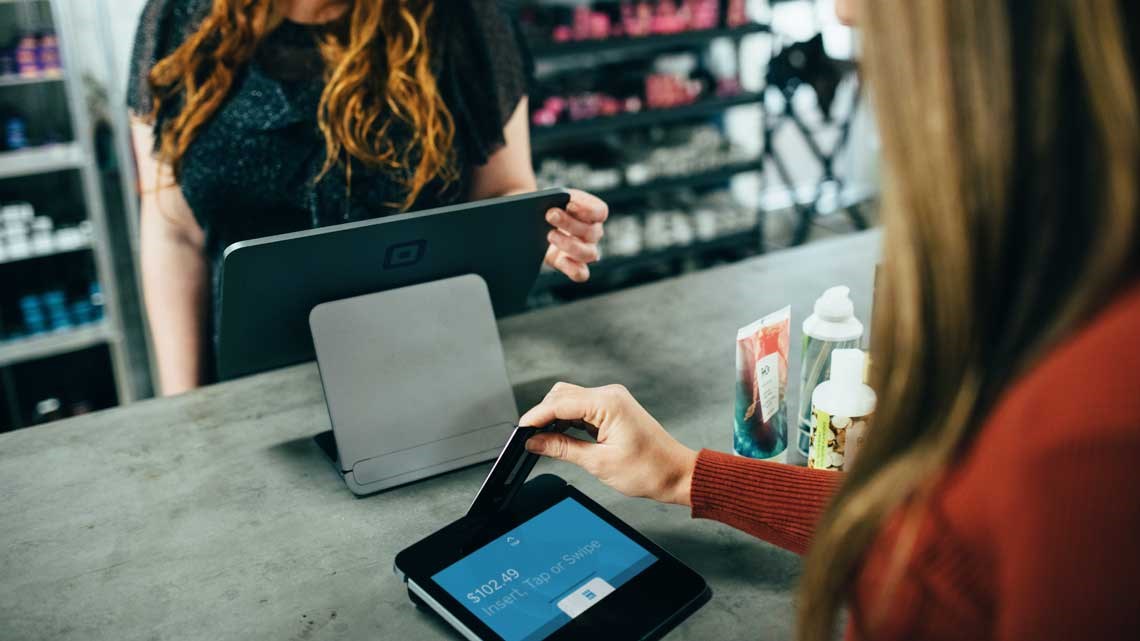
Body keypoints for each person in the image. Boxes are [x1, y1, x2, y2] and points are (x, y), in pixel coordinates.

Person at [520, 1, 1140, 640]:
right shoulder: (1056, 309)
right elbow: (937, 534)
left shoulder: (1092, 430)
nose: (843, 11)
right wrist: (684, 473)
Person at [128, 0, 608, 395]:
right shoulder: (177, 20)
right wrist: (184, 405)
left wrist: (533, 231)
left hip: (428, 372)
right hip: (248, 385)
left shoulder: (464, 17)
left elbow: (503, 190)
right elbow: (173, 228)